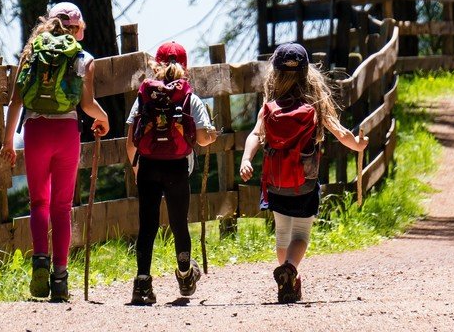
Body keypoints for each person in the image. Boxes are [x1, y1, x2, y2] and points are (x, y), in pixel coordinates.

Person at [239, 42, 367, 304]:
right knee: (301, 235)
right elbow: (339, 132)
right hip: (305, 184)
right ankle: (290, 270)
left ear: (274, 74)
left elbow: (255, 134)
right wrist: (358, 144)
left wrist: (246, 159)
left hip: (275, 184)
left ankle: (287, 277)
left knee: (282, 233)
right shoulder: (314, 103)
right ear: (307, 73)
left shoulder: (270, 105)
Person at [0, 2, 110, 302]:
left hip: (35, 131)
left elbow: (16, 102)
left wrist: (8, 141)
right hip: (66, 134)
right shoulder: (83, 58)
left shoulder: (31, 53)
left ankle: (39, 262)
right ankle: (60, 278)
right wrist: (104, 118)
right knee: (62, 207)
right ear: (78, 29)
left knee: (39, 203)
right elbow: (86, 105)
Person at [125, 41, 219, 305]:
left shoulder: (144, 97)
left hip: (148, 166)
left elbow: (131, 139)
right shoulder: (190, 97)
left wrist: (136, 167)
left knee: (148, 226)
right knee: (179, 224)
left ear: (156, 65)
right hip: (177, 167)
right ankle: (186, 275)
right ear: (185, 66)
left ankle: (142, 284)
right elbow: (201, 138)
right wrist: (211, 136)